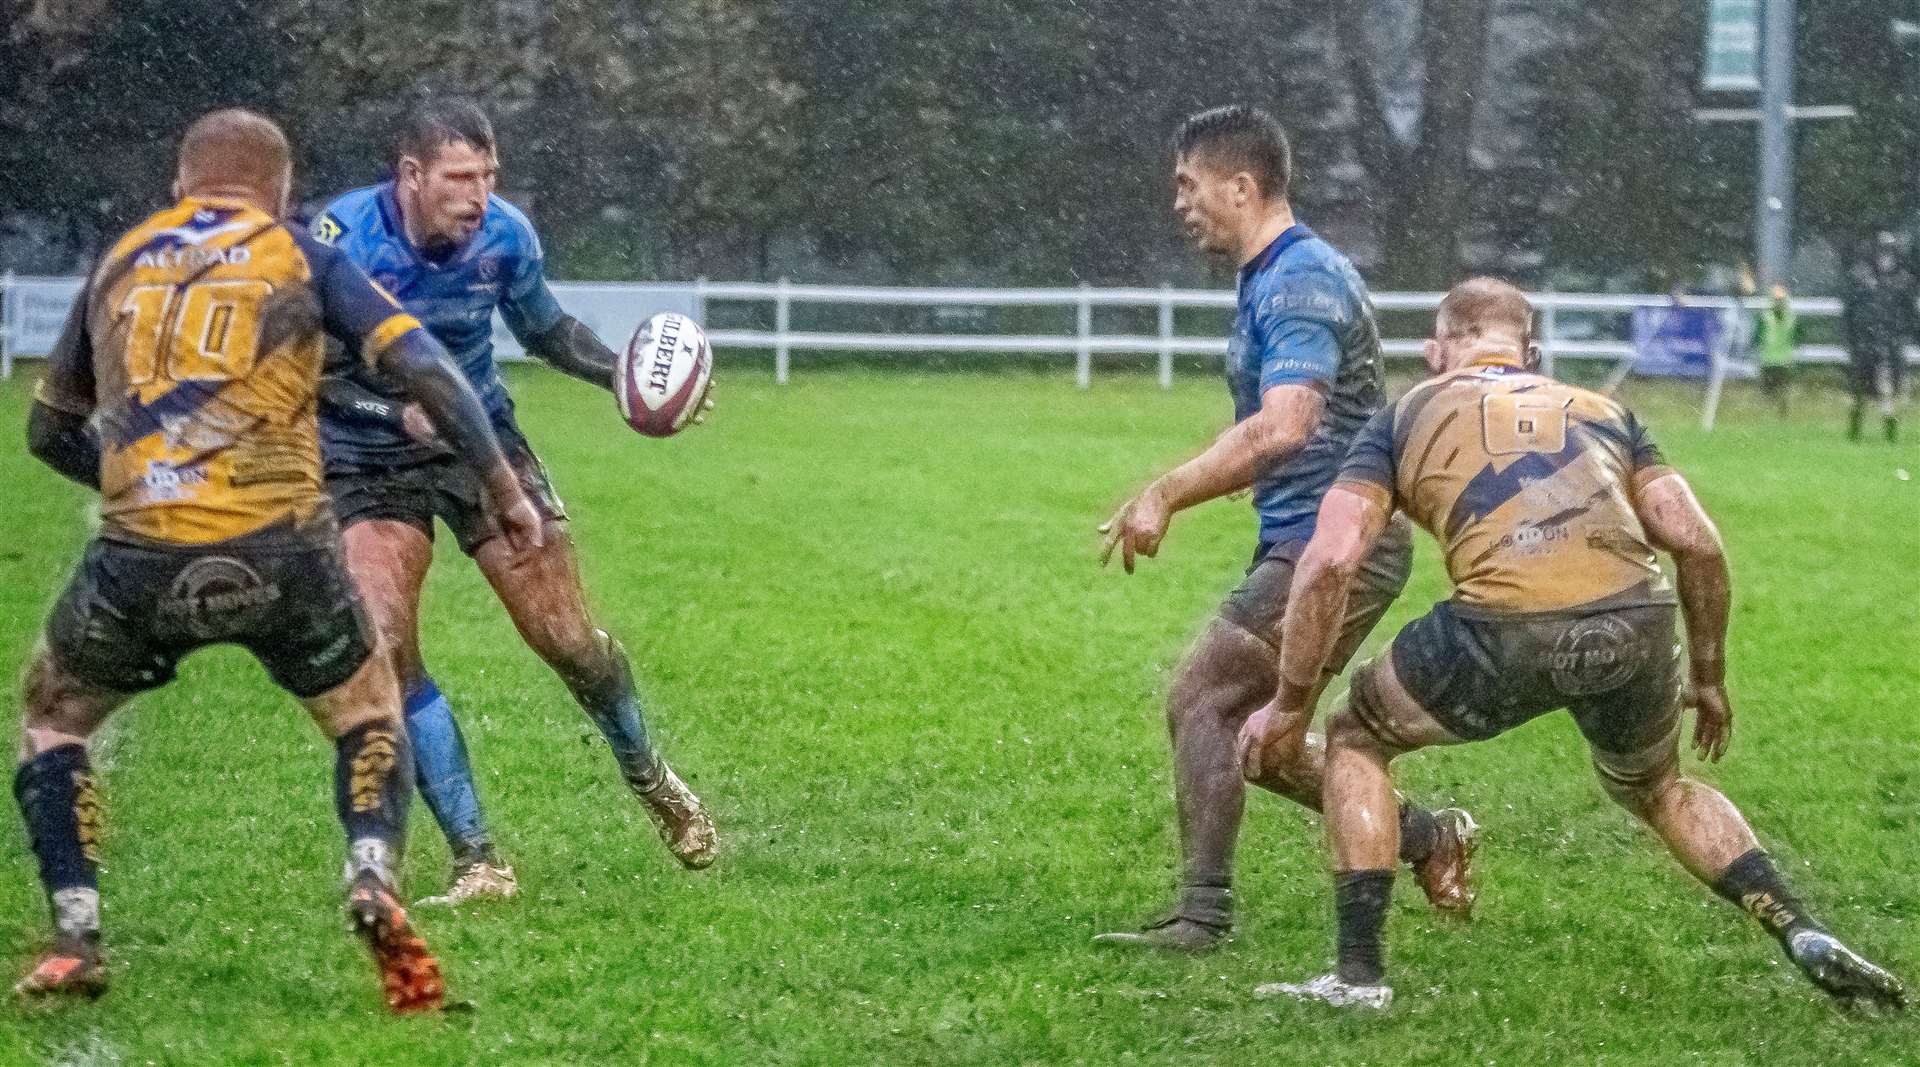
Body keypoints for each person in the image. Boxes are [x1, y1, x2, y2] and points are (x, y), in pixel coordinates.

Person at [1247, 278, 1905, 1011]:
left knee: (1354, 733)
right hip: (1637, 621)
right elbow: (1697, 543)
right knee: (1659, 787)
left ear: (1437, 350)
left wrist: (1287, 702)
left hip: (1504, 626)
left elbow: (1333, 559)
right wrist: (1710, 675)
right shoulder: (1606, 412)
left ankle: (1358, 977)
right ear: (1531, 353)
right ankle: (1797, 924)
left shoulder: (1405, 414)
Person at [14, 109, 543, 1011]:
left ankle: (75, 933)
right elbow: (427, 367)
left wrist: (143, 482)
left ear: (182, 186)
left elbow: (47, 430)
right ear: (282, 191)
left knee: (54, 716)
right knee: (369, 706)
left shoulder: (123, 258)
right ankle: (375, 877)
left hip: (141, 554)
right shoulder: (300, 252)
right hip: (285, 546)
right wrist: (502, 482)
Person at [309, 99, 716, 904]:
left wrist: (625, 380)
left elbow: (546, 329)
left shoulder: (505, 235)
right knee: (384, 647)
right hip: (365, 460)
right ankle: (478, 858)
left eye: (490, 177)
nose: (480, 195)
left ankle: (650, 773)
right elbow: (302, 368)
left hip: (481, 443)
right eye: (462, 178)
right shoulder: (339, 239)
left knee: (565, 636)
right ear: (413, 174)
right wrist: (397, 412)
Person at [1092, 105, 1475, 953]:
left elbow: (1288, 422)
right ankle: (1425, 834)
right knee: (1262, 739)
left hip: (1339, 544)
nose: (1180, 203)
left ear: (1242, 184)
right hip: (1314, 533)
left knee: (1204, 698)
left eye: (1189, 185)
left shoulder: (1300, 279)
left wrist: (1167, 491)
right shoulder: (1272, 274)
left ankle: (1202, 914)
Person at [1842, 232, 1916, 443]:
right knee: (1860, 389)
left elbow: (1910, 314)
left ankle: (1888, 427)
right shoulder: (1861, 280)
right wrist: (1851, 340)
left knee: (1888, 388)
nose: (1886, 257)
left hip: (1888, 344)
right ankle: (1855, 427)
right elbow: (1850, 313)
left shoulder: (1901, 283)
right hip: (1866, 345)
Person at [1756, 285, 1796, 417]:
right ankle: (1773, 417)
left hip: (1779, 362)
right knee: (1773, 394)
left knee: (1777, 395)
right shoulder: (1788, 318)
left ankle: (1778, 417)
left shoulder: (1768, 318)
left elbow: (1756, 339)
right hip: (1773, 361)